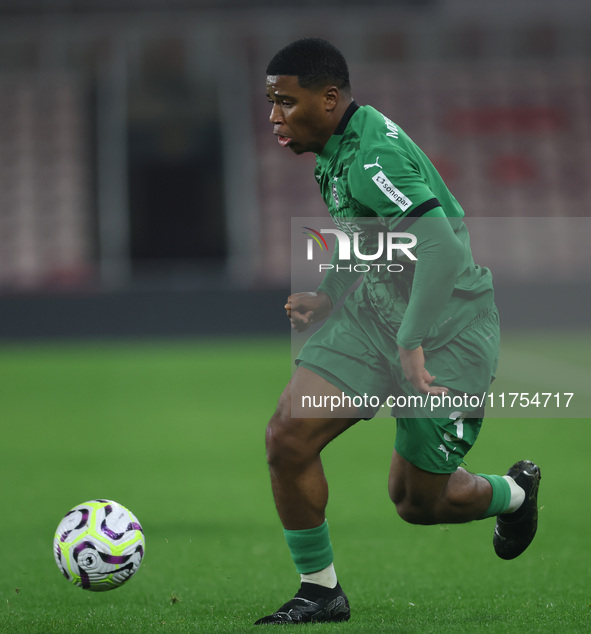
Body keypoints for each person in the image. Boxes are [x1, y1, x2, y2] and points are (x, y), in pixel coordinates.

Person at [256, 37, 540, 626]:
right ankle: (320, 591)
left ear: (329, 98)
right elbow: (367, 234)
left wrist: (410, 343)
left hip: (448, 331)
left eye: (285, 102)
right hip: (379, 310)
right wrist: (329, 295)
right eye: (271, 102)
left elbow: (440, 251)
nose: (274, 117)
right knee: (288, 435)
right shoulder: (335, 147)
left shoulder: (370, 160)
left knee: (417, 503)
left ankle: (513, 495)